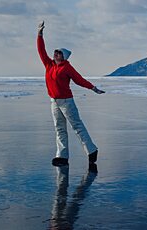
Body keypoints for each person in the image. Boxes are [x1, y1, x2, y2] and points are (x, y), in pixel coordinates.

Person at [37, 21, 105, 167]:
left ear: (64, 57)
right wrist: (40, 34)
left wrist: (93, 88)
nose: (55, 54)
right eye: (55, 52)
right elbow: (41, 51)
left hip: (67, 102)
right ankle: (62, 156)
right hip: (54, 101)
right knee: (59, 128)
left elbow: (79, 79)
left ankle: (91, 150)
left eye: (59, 53)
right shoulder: (49, 65)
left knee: (77, 126)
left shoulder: (67, 68)